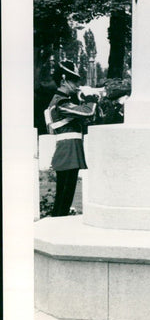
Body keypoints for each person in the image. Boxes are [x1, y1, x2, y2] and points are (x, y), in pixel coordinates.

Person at [46, 60, 101, 217]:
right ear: (63, 80)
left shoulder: (65, 101)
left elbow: (87, 116)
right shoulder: (60, 102)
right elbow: (87, 112)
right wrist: (91, 97)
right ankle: (57, 223)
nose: (77, 84)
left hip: (70, 148)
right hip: (67, 150)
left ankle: (58, 222)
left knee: (66, 195)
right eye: (74, 80)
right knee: (64, 196)